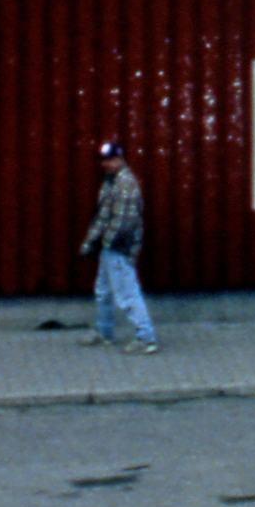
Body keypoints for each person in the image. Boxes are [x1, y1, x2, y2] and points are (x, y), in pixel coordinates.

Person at [82, 138, 158, 353]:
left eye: (111, 159)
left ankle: (146, 338)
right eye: (104, 159)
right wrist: (91, 243)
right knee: (103, 291)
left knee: (126, 294)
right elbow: (103, 216)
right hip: (109, 247)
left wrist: (105, 243)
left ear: (120, 159)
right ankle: (105, 331)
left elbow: (123, 222)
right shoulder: (110, 181)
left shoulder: (125, 184)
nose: (106, 163)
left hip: (118, 247)